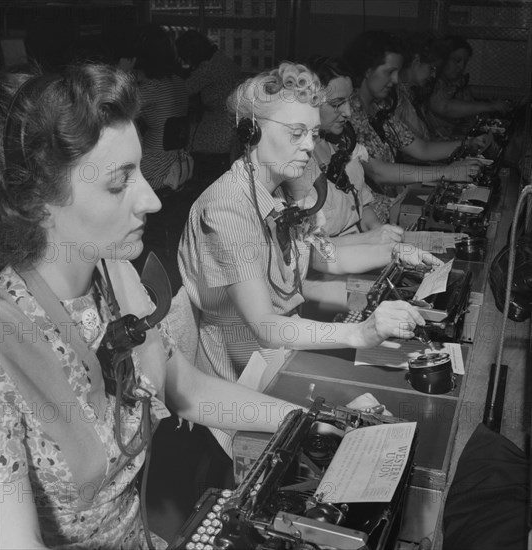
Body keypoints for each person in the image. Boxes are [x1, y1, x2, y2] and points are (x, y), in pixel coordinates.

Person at [0, 62, 301, 550]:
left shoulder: (113, 272)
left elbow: (183, 387)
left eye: (139, 170)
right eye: (119, 183)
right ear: (37, 199)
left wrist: (303, 420)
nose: (152, 200)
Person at [177, 62, 441, 446]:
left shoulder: (281, 185)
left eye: (312, 133)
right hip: (241, 380)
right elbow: (265, 325)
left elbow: (325, 256)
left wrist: (395, 253)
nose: (307, 145)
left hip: (280, 354)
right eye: (297, 133)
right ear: (251, 132)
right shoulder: (227, 208)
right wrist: (360, 332)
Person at [343, 30, 487, 222]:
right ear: (367, 70)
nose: (395, 80)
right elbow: (378, 172)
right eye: (389, 72)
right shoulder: (347, 112)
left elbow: (422, 148)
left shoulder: (380, 109)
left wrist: (468, 143)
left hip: (390, 206)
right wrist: (447, 172)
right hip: (366, 218)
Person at [288, 55, 404, 247]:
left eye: (349, 101)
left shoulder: (343, 144)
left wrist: (382, 234)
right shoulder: (293, 165)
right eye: (336, 104)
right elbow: (309, 246)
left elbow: (362, 207)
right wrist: (368, 240)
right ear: (306, 103)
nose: (348, 112)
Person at [176, 29, 241, 186]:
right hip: (231, 127)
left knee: (188, 151)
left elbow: (184, 90)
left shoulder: (208, 68)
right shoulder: (222, 59)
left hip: (216, 131)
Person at [132, 24, 192, 192]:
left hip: (156, 164)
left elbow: (114, 108)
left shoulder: (152, 88)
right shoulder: (178, 81)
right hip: (180, 159)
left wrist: (122, 71)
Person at [424, 35, 512, 139]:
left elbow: (472, 114)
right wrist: (491, 106)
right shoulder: (431, 81)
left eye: (464, 63)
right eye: (457, 60)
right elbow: (445, 107)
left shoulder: (458, 83)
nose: (461, 67)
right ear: (442, 59)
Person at [396, 31, 442, 141]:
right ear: (416, 61)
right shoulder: (398, 96)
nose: (434, 75)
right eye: (432, 68)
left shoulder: (409, 93)